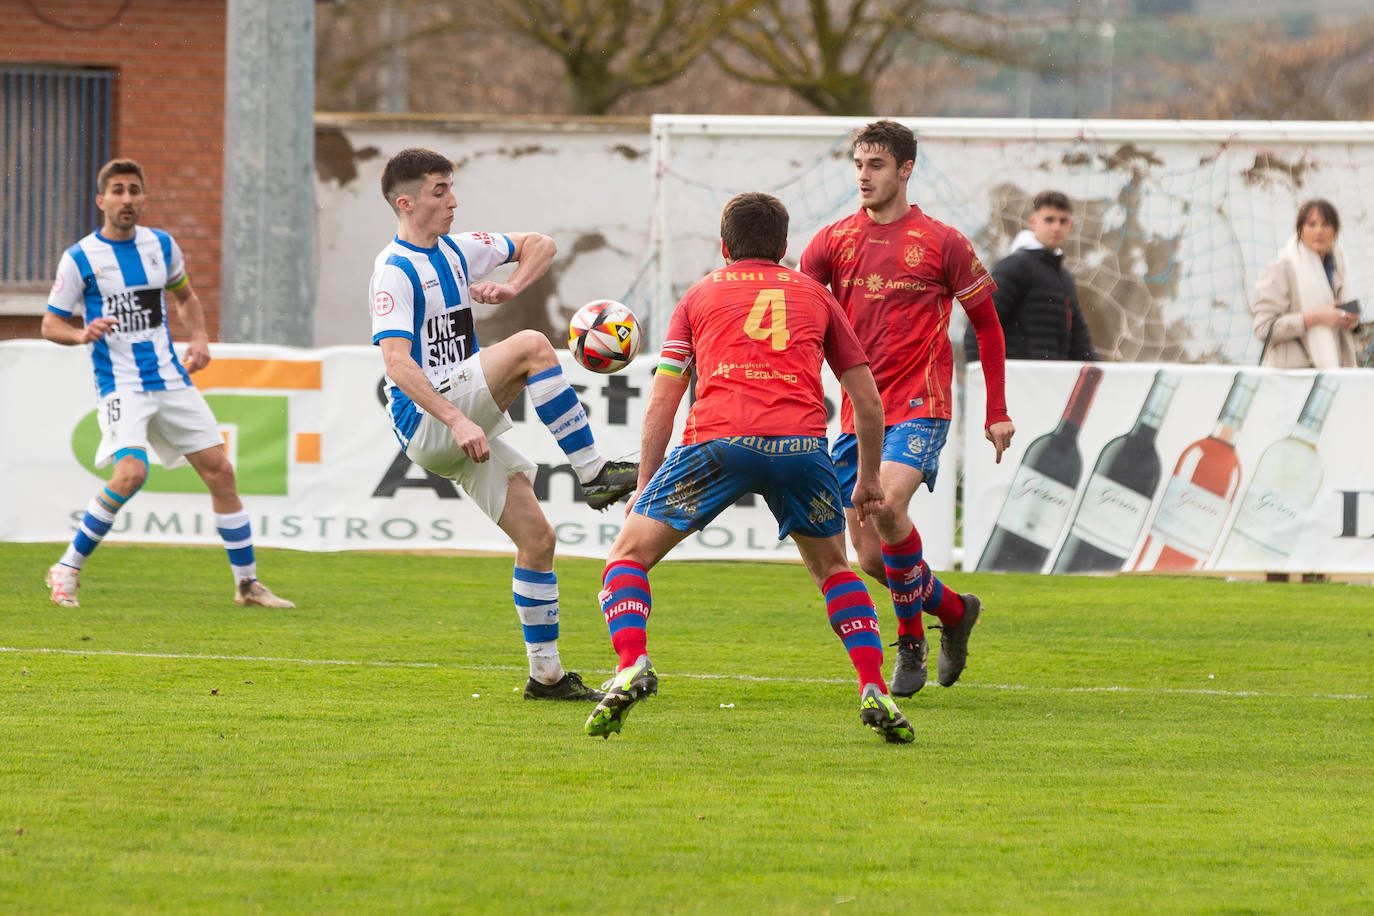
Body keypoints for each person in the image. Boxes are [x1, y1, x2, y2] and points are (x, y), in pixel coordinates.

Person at [585, 191, 914, 744]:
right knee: (835, 570)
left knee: (627, 557)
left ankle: (632, 662)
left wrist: (645, 485)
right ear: (785, 247)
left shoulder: (698, 296)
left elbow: (663, 402)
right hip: (800, 448)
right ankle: (872, 684)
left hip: (719, 441)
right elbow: (868, 401)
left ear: (723, 245)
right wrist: (870, 477)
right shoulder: (816, 294)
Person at [369, 147, 638, 702]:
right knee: (534, 347)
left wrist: (515, 284)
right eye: (440, 190)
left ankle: (546, 677)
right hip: (428, 419)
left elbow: (541, 245)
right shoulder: (393, 272)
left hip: (459, 415)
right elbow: (396, 364)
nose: (453, 201)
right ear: (406, 202)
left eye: (450, 188)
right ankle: (593, 473)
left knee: (538, 540)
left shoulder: (458, 251)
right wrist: (454, 420)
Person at [799, 119, 1015, 698]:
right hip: (858, 417)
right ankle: (954, 608)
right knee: (870, 554)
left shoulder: (943, 242)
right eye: (858, 165)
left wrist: (997, 408)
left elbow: (989, 328)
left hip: (922, 404)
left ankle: (912, 641)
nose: (864, 176)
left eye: (876, 165)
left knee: (888, 506)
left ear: (905, 170)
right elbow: (801, 324)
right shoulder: (827, 244)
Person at [41, 159, 293, 610]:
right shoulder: (80, 258)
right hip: (121, 384)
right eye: (117, 191)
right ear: (102, 201)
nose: (127, 199)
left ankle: (247, 585)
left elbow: (185, 297)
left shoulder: (160, 245)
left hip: (170, 379)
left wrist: (198, 337)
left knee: (220, 471)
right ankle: (67, 567)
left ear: (143, 198)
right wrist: (81, 334)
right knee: (131, 473)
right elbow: (49, 324)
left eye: (134, 190)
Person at [963, 189, 1097, 363]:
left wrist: (1100, 375)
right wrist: (983, 377)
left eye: (1063, 221)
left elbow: (1080, 342)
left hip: (1053, 383)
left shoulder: (1065, 278)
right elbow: (979, 326)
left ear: (1070, 225)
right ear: (1033, 222)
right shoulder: (1013, 267)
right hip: (1015, 382)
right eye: (1049, 219)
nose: (1056, 227)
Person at [1252, 198, 1361, 369]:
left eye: (1326, 224)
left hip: (1334, 375)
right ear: (1300, 230)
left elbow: (1336, 321)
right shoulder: (1282, 269)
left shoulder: (1339, 266)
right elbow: (1263, 328)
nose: (1319, 231)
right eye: (1311, 224)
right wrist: (1316, 317)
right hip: (1294, 378)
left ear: (1335, 230)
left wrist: (1350, 322)